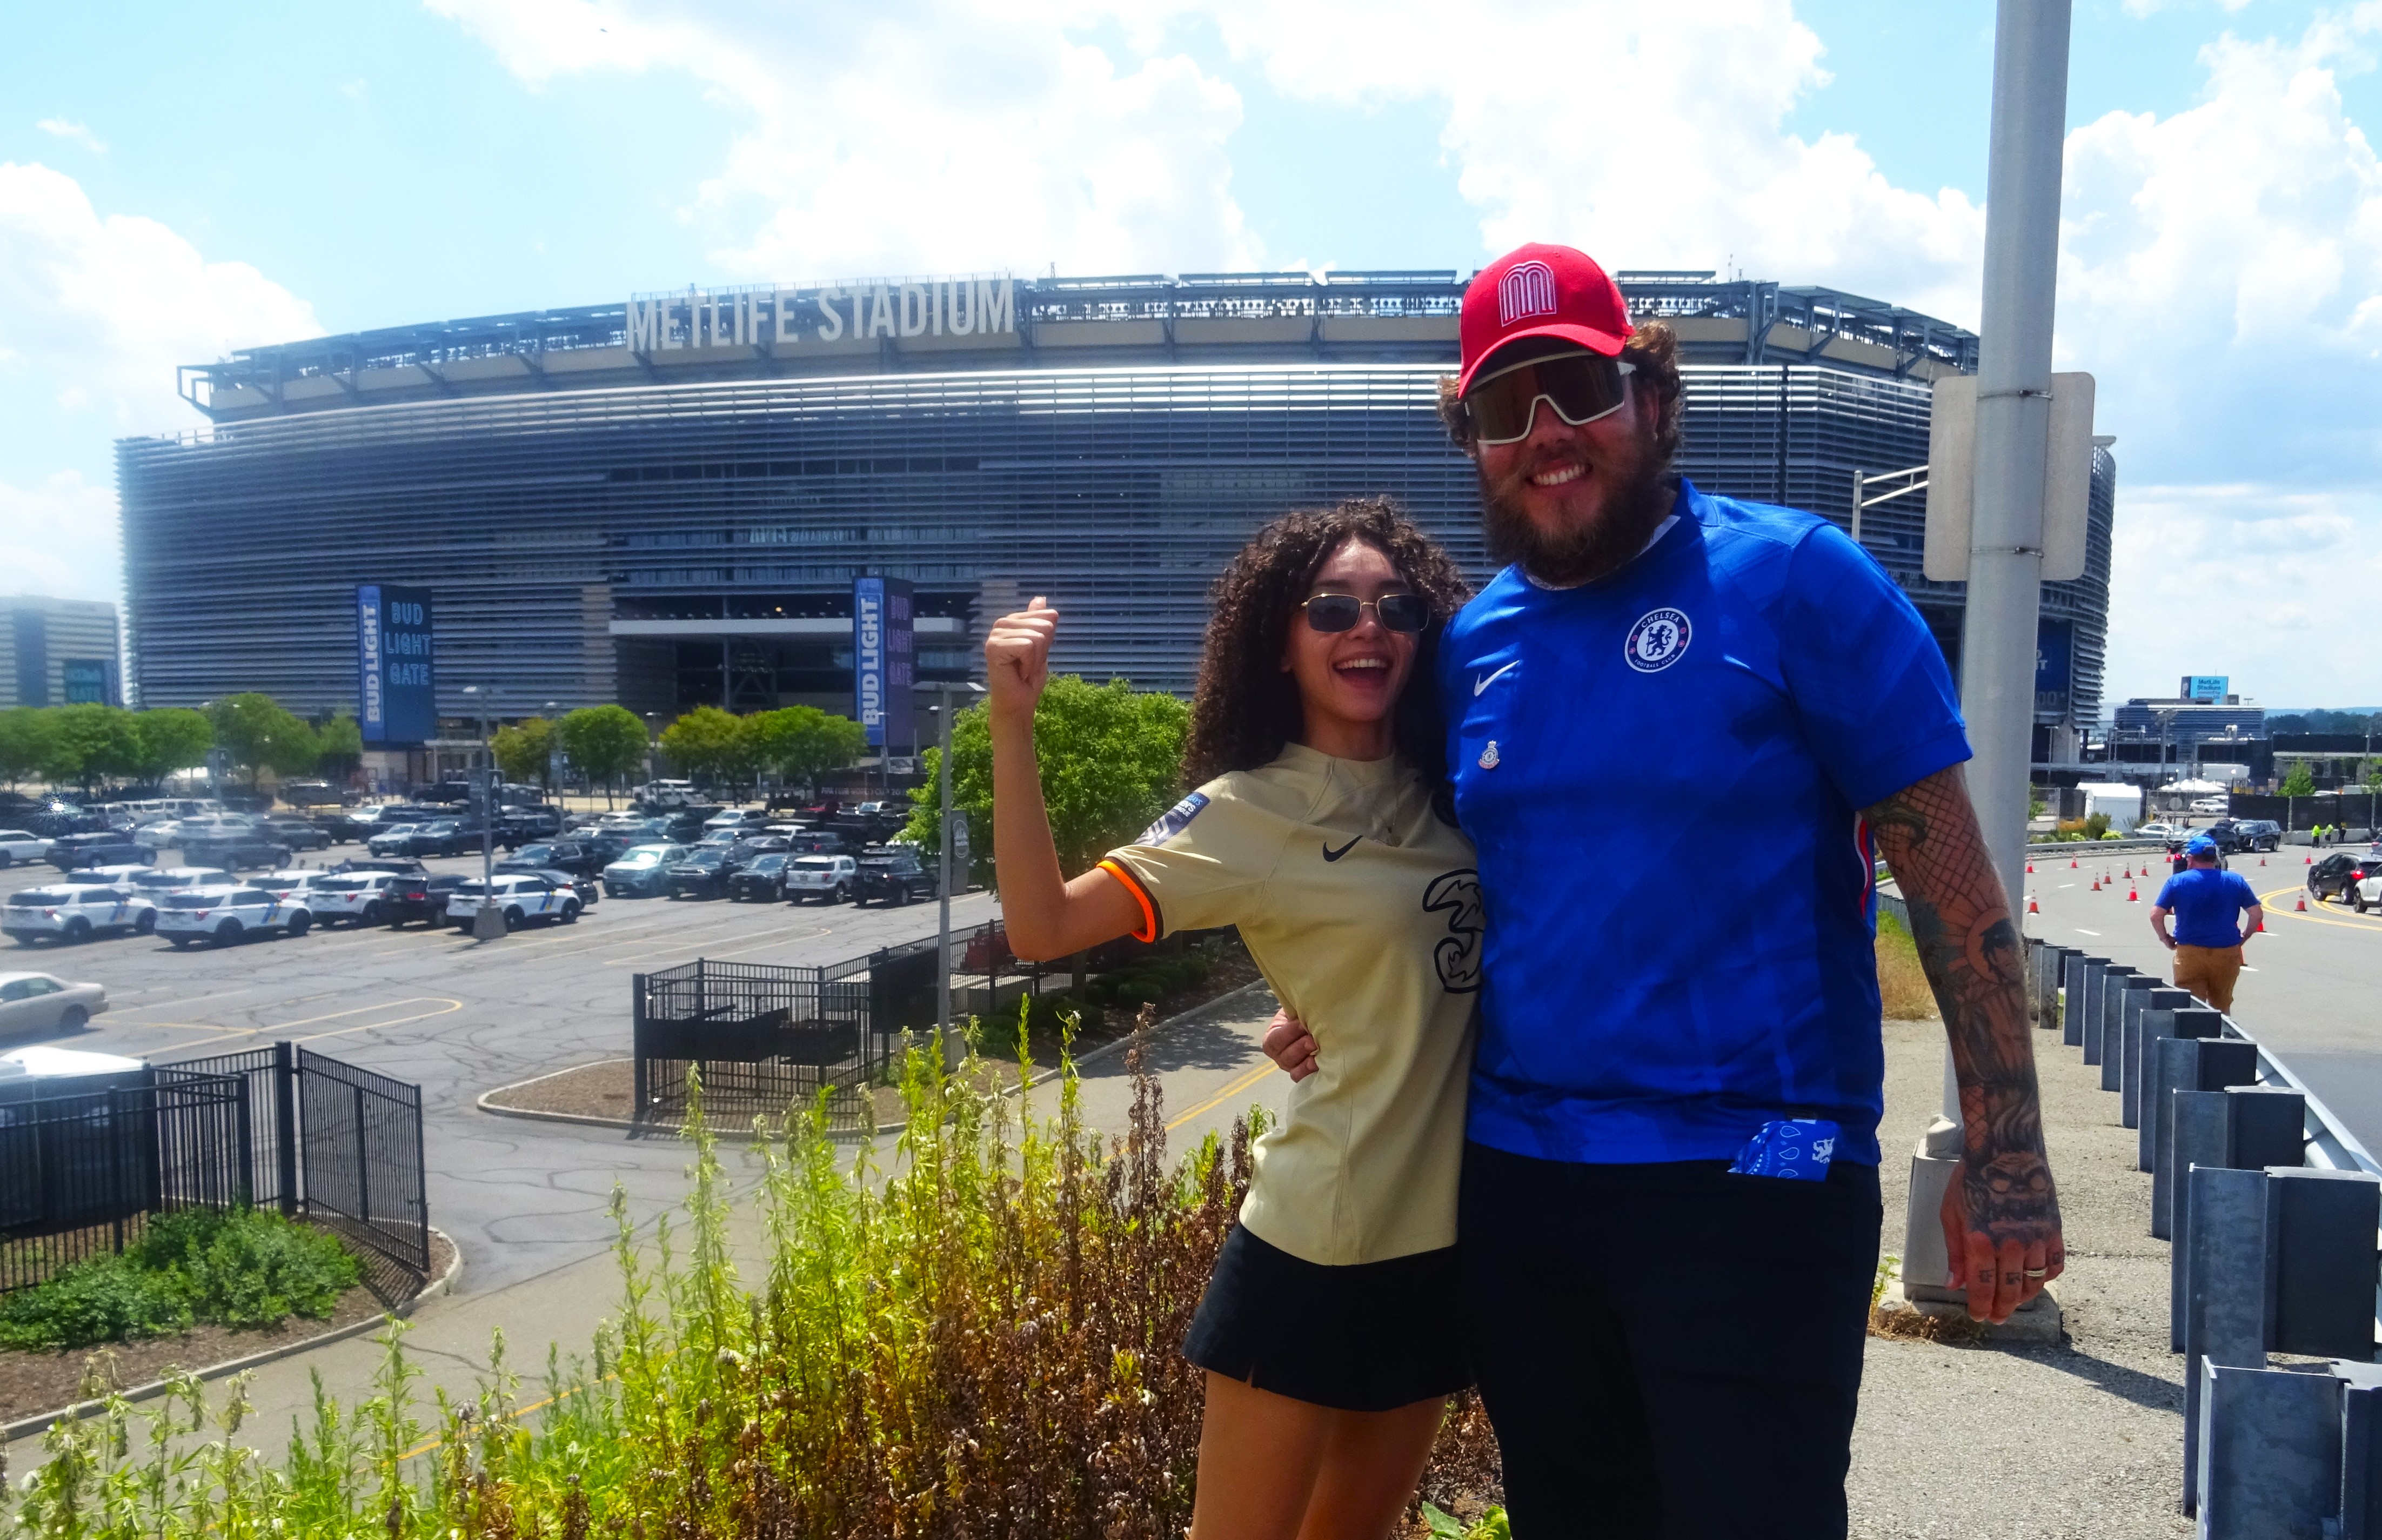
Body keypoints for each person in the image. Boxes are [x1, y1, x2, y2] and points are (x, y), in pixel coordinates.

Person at [1261, 242, 2063, 1538]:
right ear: (1471, 438)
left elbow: (1944, 873)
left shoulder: (1795, 578)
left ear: (1648, 395)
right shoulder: (1469, 648)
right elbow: (1449, 882)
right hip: (1521, 1187)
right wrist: (1334, 998)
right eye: (1504, 406)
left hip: (1754, 1174)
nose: (1545, 433)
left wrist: (2004, 1150)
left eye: (1576, 391)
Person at [985, 499, 1481, 1540]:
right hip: (1313, 1247)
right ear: (1279, 643)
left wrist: (1318, 1007)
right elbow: (1041, 925)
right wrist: (1011, 724)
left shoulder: (1459, 791)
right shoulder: (1247, 812)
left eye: (1395, 607)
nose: (1367, 627)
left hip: (1443, 1250)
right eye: (1331, 608)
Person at [2151, 833, 2263, 1013]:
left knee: (2191, 1007)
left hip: (2190, 952)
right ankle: (2221, 1030)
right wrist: (2244, 937)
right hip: (2227, 951)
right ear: (2215, 858)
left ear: (2190, 858)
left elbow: (2156, 915)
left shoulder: (2177, 882)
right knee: (2222, 1005)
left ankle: (2194, 1030)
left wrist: (2165, 938)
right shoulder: (2235, 881)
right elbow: (2256, 915)